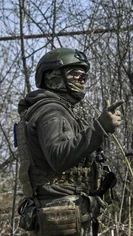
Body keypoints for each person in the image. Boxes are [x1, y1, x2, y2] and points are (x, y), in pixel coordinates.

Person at [15, 48, 124, 235]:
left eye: (84, 76)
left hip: (61, 213)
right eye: (75, 74)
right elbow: (59, 157)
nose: (82, 80)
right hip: (60, 215)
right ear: (52, 76)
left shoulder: (51, 109)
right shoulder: (52, 112)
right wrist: (99, 127)